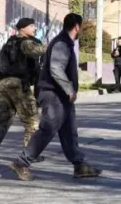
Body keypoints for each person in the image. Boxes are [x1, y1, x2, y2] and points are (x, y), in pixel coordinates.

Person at [8, 13, 102, 181]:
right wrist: (69, 90)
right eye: (81, 27)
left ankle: (79, 165)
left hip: (60, 95)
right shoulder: (61, 43)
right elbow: (56, 68)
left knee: (69, 131)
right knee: (48, 128)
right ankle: (21, 162)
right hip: (53, 93)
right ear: (77, 27)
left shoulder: (65, 42)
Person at [0, 18, 46, 167]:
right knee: (31, 119)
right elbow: (38, 50)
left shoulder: (10, 43)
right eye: (31, 26)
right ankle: (30, 153)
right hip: (17, 85)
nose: (34, 28)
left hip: (4, 84)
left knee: (4, 120)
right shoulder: (25, 42)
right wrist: (51, 46)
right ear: (22, 28)